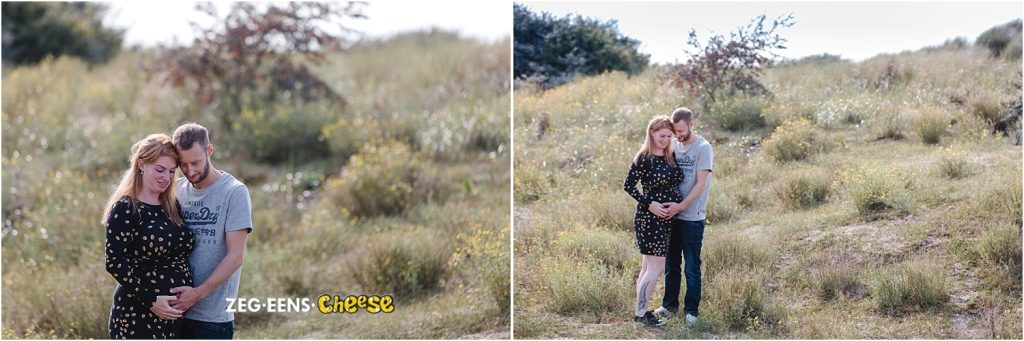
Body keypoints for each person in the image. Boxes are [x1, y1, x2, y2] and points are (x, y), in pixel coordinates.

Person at [168, 123, 253, 339]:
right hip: (173, 313)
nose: (190, 171)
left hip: (211, 319)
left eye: (195, 162)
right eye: (183, 165)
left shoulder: (234, 192)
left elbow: (236, 257)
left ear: (209, 151)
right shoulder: (175, 190)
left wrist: (197, 294)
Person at [104, 134, 194, 339]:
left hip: (174, 317)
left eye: (172, 172)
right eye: (160, 170)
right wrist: (152, 301)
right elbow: (114, 262)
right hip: (138, 314)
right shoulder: (126, 208)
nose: (166, 177)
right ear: (141, 165)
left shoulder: (172, 206)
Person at [654, 107, 714, 327]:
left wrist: (680, 206)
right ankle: (669, 306)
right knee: (671, 265)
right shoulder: (674, 144)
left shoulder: (703, 148)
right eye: (674, 131)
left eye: (680, 130)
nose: (677, 135)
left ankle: (691, 312)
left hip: (692, 217)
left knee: (691, 266)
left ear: (691, 125)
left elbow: (700, 185)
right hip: (672, 215)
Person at [623, 115, 684, 327]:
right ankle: (641, 315)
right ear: (651, 133)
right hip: (649, 219)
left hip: (666, 220)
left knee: (647, 267)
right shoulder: (644, 157)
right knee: (656, 268)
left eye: (669, 136)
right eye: (661, 136)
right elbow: (628, 186)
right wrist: (650, 203)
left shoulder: (670, 155)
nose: (665, 139)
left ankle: (641, 312)